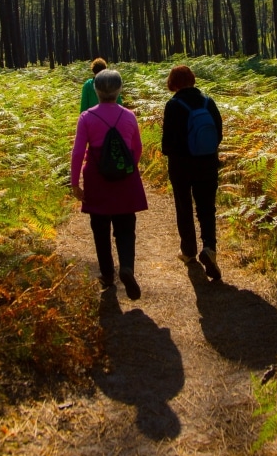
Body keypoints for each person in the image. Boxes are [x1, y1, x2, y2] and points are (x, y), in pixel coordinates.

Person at [71, 69, 147, 300]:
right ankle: (127, 267)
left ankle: (107, 275)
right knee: (126, 226)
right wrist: (126, 168)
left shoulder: (86, 117)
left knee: (100, 227)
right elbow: (138, 148)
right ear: (119, 89)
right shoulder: (129, 116)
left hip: (96, 179)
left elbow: (77, 153)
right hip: (125, 179)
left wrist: (75, 183)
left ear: (96, 90)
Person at [161, 65, 223, 280]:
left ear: (173, 83)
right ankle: (209, 248)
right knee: (207, 208)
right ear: (192, 80)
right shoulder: (208, 102)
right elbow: (219, 134)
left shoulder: (173, 105)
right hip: (207, 163)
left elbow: (167, 143)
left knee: (184, 206)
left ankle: (188, 251)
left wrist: (171, 151)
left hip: (181, 166)